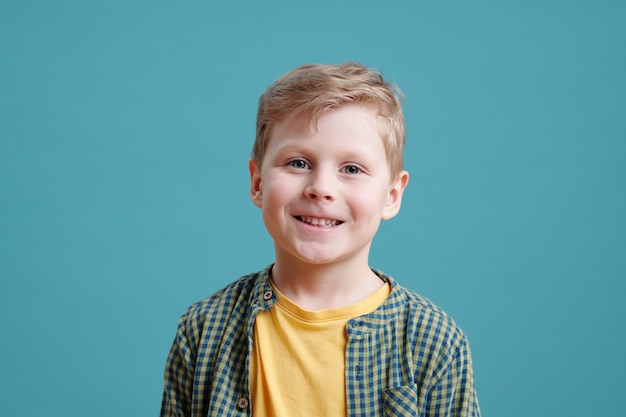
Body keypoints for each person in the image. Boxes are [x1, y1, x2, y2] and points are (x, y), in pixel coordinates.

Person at [160, 62, 480, 417]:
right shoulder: (205, 329)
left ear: (391, 195)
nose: (321, 189)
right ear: (258, 183)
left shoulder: (433, 342)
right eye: (298, 163)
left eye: (352, 169)